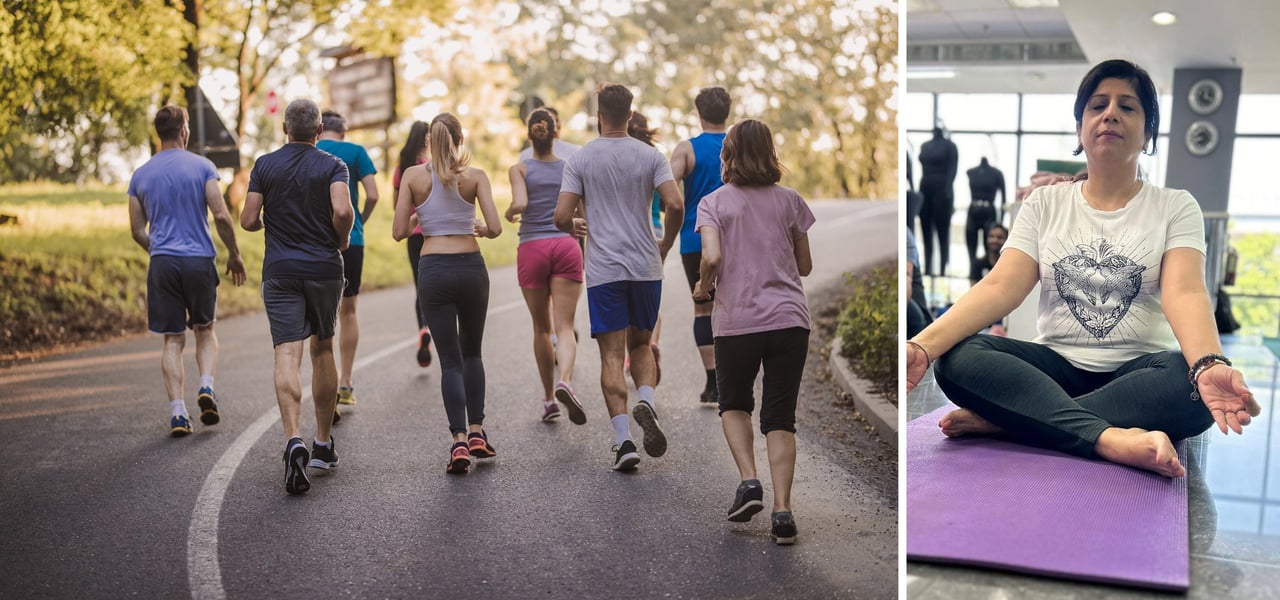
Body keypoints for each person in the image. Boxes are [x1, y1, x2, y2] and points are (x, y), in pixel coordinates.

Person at [905, 59, 1260, 479]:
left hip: (1139, 376)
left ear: (1148, 134)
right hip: (1052, 371)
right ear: (1080, 128)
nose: (1110, 113)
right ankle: (1108, 438)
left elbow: (1185, 292)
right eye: (1097, 105)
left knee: (1192, 386)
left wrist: (1208, 364)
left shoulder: (1175, 206)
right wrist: (923, 346)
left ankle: (1012, 421)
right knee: (958, 356)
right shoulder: (1044, 204)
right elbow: (1002, 285)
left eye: (1128, 107)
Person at [693, 119, 814, 546]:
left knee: (734, 404)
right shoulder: (790, 200)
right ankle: (783, 512)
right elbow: (804, 266)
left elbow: (710, 257)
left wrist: (704, 287)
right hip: (789, 321)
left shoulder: (713, 203)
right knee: (780, 417)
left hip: (737, 322)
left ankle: (749, 482)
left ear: (729, 154)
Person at [554, 82, 683, 471]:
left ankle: (624, 442)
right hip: (645, 265)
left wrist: (577, 224)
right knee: (641, 346)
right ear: (630, 114)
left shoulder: (580, 159)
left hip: (604, 270)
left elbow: (561, 216)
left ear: (599, 116)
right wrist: (665, 243)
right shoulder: (650, 156)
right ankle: (646, 397)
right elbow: (675, 203)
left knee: (611, 353)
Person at [240, 98, 353, 495]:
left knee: (287, 352)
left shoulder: (265, 165)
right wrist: (339, 240)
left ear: (284, 130)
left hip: (282, 271)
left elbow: (248, 219)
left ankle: (292, 439)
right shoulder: (332, 165)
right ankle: (322, 443)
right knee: (323, 349)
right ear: (319, 131)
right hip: (324, 268)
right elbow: (343, 211)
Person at [393, 112, 503, 475]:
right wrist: (481, 229)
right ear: (460, 137)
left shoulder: (412, 176)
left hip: (434, 270)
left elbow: (398, 232)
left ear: (429, 140)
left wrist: (420, 216)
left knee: (450, 361)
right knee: (473, 353)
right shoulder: (475, 176)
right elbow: (496, 228)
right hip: (471, 268)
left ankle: (457, 441)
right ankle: (476, 432)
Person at [127, 105, 247, 437]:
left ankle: (178, 413)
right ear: (183, 130)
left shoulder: (140, 175)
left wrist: (161, 250)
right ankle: (206, 385)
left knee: (172, 340)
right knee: (204, 331)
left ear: (159, 133)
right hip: (198, 261)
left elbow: (137, 230)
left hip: (162, 262)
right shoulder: (202, 166)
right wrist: (234, 254)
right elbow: (221, 215)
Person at [505, 108, 587, 424]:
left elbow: (521, 204)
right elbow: (581, 212)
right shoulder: (571, 167)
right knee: (565, 326)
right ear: (556, 134)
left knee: (542, 328)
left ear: (529, 136)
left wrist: (511, 211)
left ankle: (550, 398)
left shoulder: (520, 169)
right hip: (566, 245)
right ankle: (566, 378)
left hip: (532, 248)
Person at [670, 86, 730, 406]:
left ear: (698, 112)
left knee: (703, 307)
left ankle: (713, 383)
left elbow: (665, 187)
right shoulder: (738, 145)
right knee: (733, 306)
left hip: (695, 238)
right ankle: (731, 378)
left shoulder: (687, 149)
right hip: (735, 238)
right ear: (727, 112)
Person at [316, 111, 378, 415]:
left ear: (319, 129)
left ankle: (323, 388)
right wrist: (361, 221)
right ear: (343, 130)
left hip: (316, 241)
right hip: (352, 239)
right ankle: (345, 384)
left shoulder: (311, 152)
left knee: (321, 312)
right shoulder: (356, 152)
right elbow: (374, 194)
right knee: (349, 311)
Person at [627, 110, 664, 385]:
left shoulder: (618, 154)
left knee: (625, 294)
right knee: (651, 295)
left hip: (626, 233)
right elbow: (668, 202)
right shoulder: (654, 156)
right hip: (655, 230)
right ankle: (651, 340)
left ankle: (635, 351)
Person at [394, 120, 434, 368]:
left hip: (412, 234)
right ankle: (435, 327)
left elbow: (397, 206)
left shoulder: (402, 168)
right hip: (431, 232)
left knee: (420, 285)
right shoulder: (430, 168)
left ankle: (423, 327)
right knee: (434, 283)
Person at [917, 127, 958, 276]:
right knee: (926, 231)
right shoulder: (925, 145)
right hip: (925, 189)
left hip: (943, 190)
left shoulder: (950, 146)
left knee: (943, 232)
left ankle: (943, 270)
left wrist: (947, 190)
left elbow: (953, 169)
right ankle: (927, 268)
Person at [964, 157, 1006, 267]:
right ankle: (972, 273)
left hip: (989, 212)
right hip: (973, 211)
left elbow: (1003, 198)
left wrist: (1000, 222)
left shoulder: (997, 174)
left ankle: (990, 272)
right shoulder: (970, 172)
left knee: (991, 246)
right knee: (971, 249)